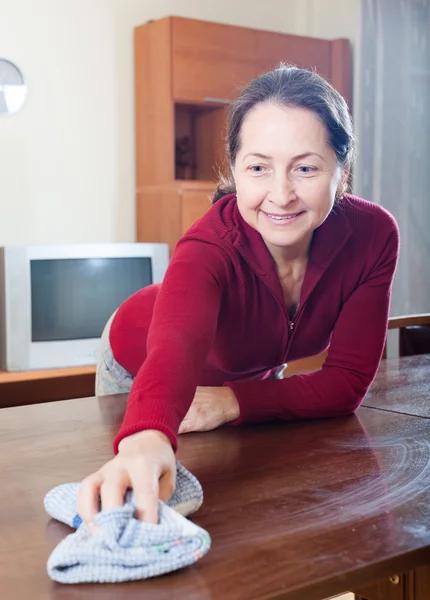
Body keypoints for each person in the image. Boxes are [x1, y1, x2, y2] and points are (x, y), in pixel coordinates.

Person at [78, 65, 400, 529]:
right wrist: (146, 436)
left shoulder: (373, 236)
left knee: (250, 510)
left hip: (244, 374)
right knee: (143, 500)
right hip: (137, 358)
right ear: (235, 169)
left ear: (342, 173)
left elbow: (347, 381)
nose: (281, 195)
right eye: (258, 168)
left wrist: (232, 402)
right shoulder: (208, 247)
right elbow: (174, 352)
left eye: (305, 168)